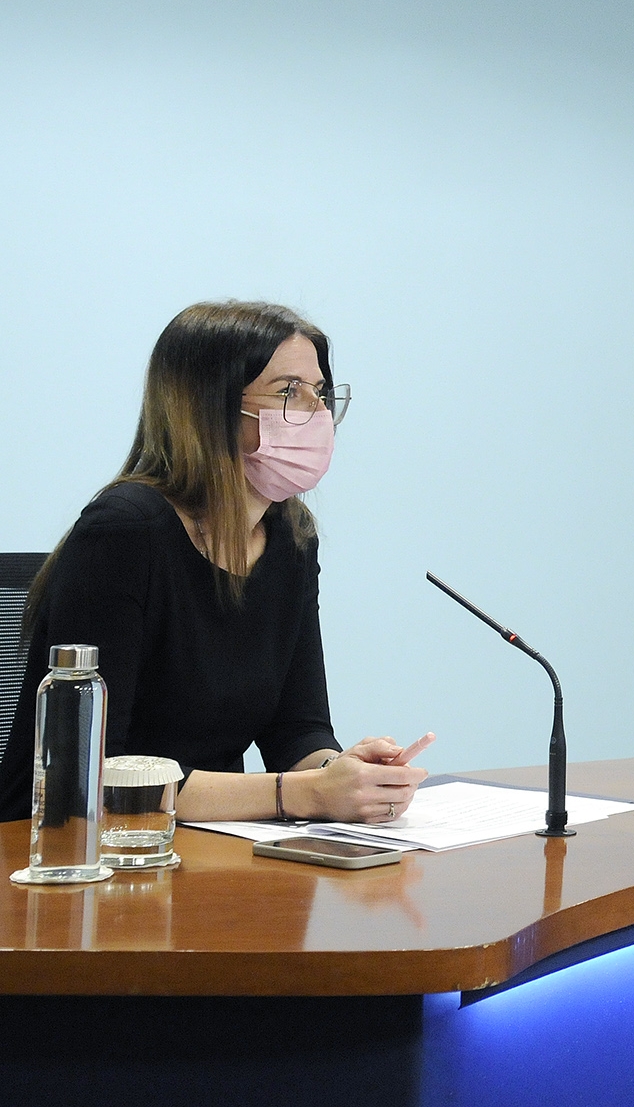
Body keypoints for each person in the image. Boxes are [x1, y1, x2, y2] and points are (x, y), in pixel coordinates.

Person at [0, 301, 433, 824]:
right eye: (288, 392)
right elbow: (99, 772)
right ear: (209, 406)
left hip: (203, 843)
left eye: (320, 393)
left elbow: (297, 726)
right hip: (74, 849)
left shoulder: (291, 539)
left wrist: (342, 773)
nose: (316, 415)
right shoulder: (125, 530)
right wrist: (301, 794)